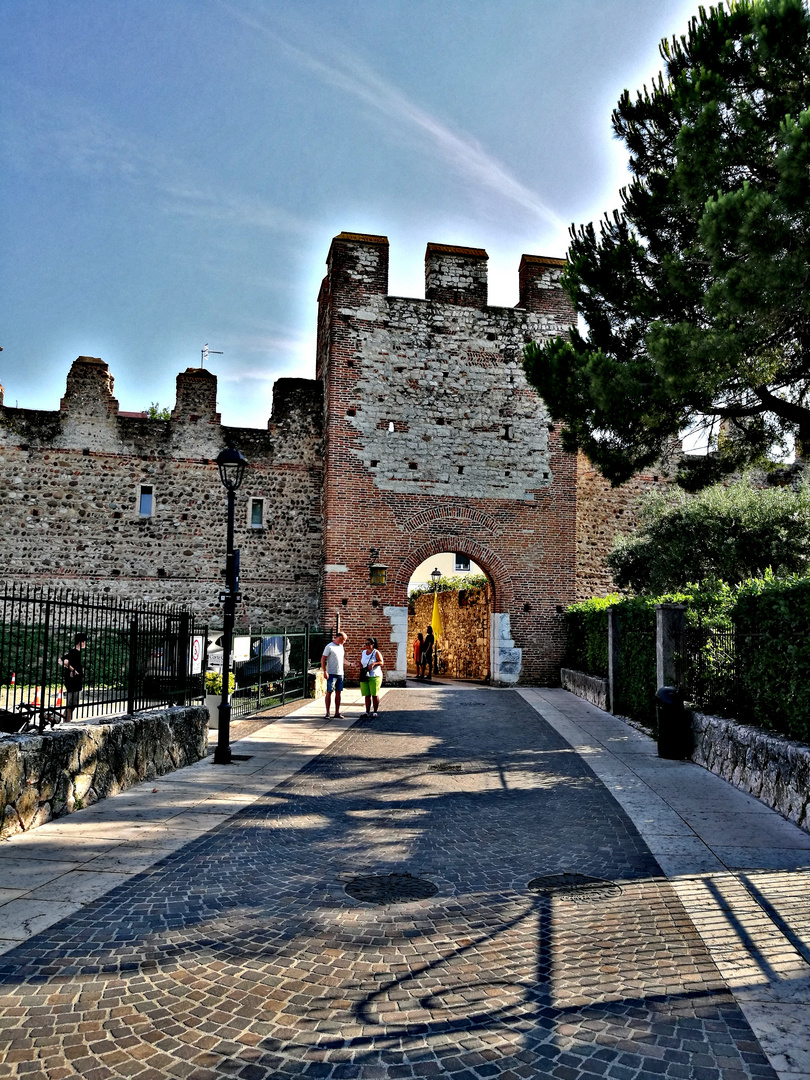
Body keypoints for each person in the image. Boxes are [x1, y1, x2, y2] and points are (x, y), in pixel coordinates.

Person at [321, 631, 347, 718]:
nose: (345, 642)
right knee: (329, 692)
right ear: (339, 638)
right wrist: (325, 671)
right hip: (331, 673)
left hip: (340, 673)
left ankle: (337, 712)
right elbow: (323, 658)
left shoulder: (341, 647)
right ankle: (327, 712)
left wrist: (350, 664)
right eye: (344, 640)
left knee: (338, 692)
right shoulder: (329, 647)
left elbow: (342, 659)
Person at [62, 632, 87, 722]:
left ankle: (63, 719)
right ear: (81, 642)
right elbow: (64, 662)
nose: (85, 643)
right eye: (85, 641)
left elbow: (61, 660)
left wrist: (71, 669)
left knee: (72, 704)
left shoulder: (75, 652)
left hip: (75, 681)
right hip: (73, 682)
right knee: (71, 704)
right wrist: (73, 670)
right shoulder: (74, 652)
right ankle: (67, 722)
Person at [360, 637, 384, 717]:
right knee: (367, 694)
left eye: (368, 644)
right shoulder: (363, 652)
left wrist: (374, 664)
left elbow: (381, 662)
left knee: (374, 694)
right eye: (365, 644)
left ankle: (375, 711)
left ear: (372, 644)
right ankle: (367, 711)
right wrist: (359, 665)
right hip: (365, 675)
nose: (366, 645)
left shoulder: (376, 652)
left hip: (374, 675)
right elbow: (361, 661)